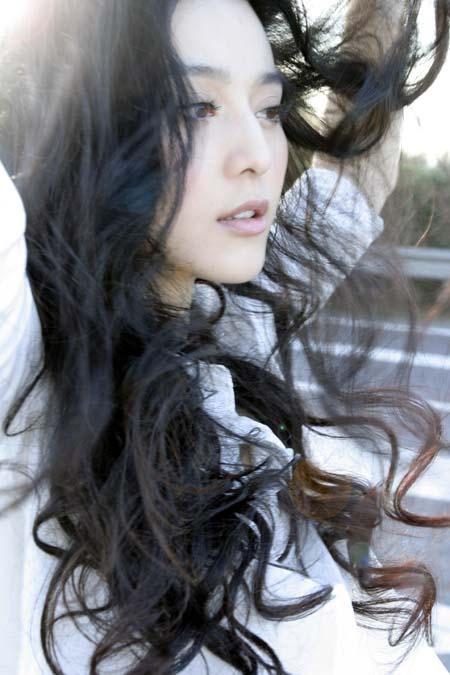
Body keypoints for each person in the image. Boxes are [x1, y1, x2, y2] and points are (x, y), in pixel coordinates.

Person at [0, 0, 449, 673]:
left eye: (268, 109)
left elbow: (354, 175)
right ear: (86, 121)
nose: (258, 157)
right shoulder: (23, 359)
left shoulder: (229, 321)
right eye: (195, 108)